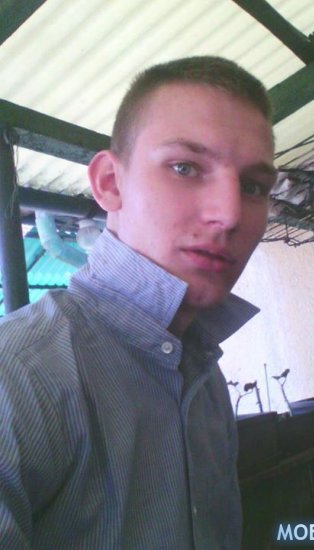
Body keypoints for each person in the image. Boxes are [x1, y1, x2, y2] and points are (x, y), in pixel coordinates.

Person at [0, 56, 276, 549]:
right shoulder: (18, 377)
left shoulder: (205, 377)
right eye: (185, 167)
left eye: (253, 186)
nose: (230, 213)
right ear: (110, 183)